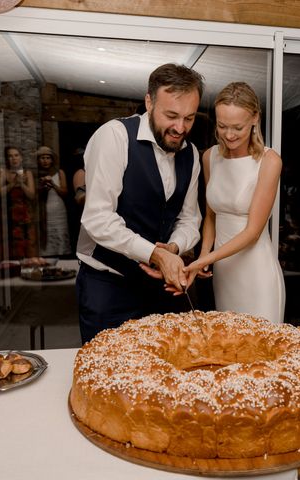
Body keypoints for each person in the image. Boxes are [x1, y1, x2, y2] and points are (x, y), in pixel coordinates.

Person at [76, 63, 204, 343]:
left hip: (162, 292)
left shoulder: (191, 154)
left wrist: (173, 248)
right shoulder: (115, 136)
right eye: (171, 115)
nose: (180, 128)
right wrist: (154, 254)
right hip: (109, 289)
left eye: (189, 118)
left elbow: (189, 219)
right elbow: (98, 218)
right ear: (149, 101)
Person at [182, 82, 285, 324]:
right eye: (222, 126)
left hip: (256, 272)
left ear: (255, 119)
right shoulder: (210, 157)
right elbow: (211, 216)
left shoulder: (269, 161)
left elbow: (252, 232)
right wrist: (204, 255)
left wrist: (206, 259)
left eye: (237, 127)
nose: (229, 135)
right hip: (224, 272)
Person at [0, 146, 38, 259]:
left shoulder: (27, 173)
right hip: (10, 219)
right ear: (7, 159)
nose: (13, 158)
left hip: (27, 217)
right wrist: (12, 183)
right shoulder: (4, 173)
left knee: (29, 247)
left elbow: (31, 194)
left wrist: (21, 184)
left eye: (16, 155)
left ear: (21, 158)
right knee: (14, 249)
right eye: (10, 156)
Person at [36, 146, 71, 257]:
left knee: (59, 234)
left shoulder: (59, 172)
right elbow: (34, 195)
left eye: (48, 158)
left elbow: (65, 192)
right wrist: (42, 186)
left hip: (58, 210)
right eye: (42, 158)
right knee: (45, 236)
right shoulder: (36, 174)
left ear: (52, 159)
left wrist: (53, 184)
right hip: (43, 211)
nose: (45, 161)